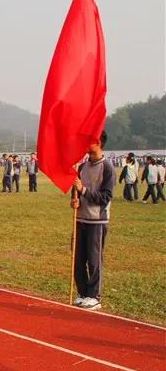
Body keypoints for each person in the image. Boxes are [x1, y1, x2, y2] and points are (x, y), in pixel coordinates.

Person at [71, 131, 113, 310]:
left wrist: (84, 191)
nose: (86, 144)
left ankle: (94, 295)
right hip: (81, 218)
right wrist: (74, 200)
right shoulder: (82, 167)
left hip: (97, 220)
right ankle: (82, 292)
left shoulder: (107, 167)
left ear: (98, 142)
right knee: (78, 258)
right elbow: (76, 190)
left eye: (89, 141)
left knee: (94, 259)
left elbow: (106, 197)